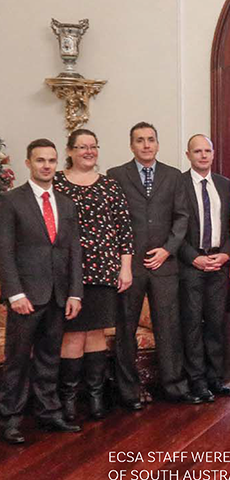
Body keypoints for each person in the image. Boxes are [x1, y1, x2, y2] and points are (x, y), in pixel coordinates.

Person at [0, 139, 84, 444]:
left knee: (50, 357)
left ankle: (50, 414)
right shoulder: (11, 201)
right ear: (28, 163)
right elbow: (5, 252)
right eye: (40, 160)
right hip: (25, 298)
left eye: (51, 160)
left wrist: (75, 293)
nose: (46, 165)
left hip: (59, 296)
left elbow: (74, 250)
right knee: (17, 360)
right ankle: (10, 419)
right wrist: (15, 294)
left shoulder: (65, 203)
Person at [108, 122, 196, 408]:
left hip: (164, 264)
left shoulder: (173, 176)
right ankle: (129, 391)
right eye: (140, 140)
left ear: (158, 144)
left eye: (151, 140)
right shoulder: (116, 175)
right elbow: (114, 221)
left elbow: (182, 217)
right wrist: (125, 255)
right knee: (126, 328)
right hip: (129, 265)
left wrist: (167, 250)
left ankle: (174, 386)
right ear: (131, 145)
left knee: (169, 327)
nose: (146, 145)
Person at [53, 129, 133, 422]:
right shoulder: (57, 182)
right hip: (67, 272)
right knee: (73, 334)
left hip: (104, 270)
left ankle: (96, 397)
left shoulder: (110, 185)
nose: (89, 151)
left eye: (93, 146)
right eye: (82, 147)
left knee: (97, 333)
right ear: (70, 150)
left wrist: (124, 268)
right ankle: (70, 400)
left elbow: (124, 231)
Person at [177, 135, 230, 403]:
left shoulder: (224, 184)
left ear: (213, 154)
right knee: (192, 325)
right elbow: (173, 228)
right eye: (197, 151)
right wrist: (193, 258)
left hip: (219, 264)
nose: (203, 155)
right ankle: (197, 381)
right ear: (188, 155)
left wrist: (225, 253)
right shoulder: (179, 184)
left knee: (215, 324)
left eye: (207, 151)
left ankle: (216, 378)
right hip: (192, 264)